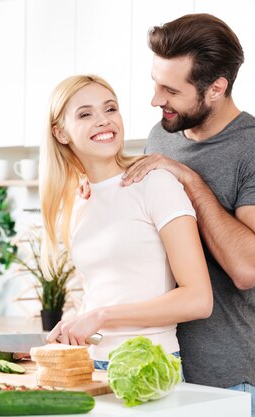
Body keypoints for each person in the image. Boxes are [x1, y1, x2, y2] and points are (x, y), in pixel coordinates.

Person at [120, 13, 255, 417]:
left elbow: (248, 267)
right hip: (157, 369)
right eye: (155, 82)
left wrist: (189, 179)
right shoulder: (160, 134)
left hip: (228, 380)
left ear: (216, 88)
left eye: (170, 89)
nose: (155, 100)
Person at [39, 74, 213, 370]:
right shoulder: (79, 199)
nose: (104, 120)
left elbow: (198, 300)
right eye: (85, 114)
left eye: (110, 109)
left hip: (150, 364)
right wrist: (74, 325)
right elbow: (104, 290)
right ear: (61, 133)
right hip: (92, 363)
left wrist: (102, 316)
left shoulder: (155, 183)